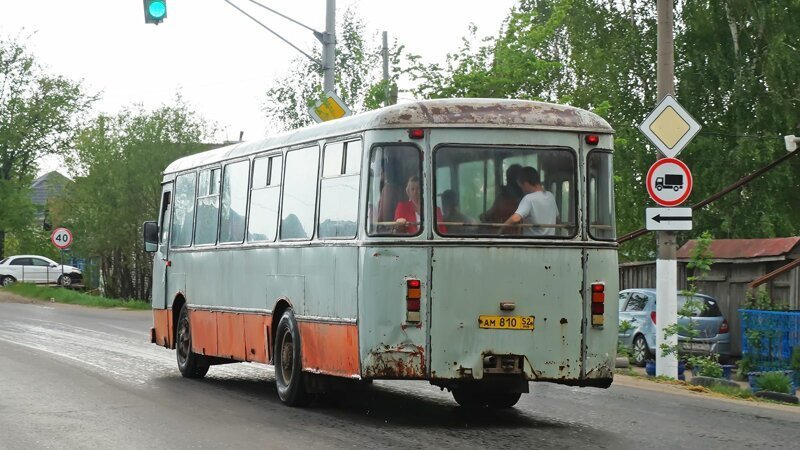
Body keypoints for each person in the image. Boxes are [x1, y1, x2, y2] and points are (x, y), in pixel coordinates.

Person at [502, 166, 558, 236]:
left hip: (532, 243)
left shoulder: (528, 199)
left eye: (521, 187)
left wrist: (500, 229)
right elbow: (557, 218)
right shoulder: (551, 196)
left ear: (525, 183)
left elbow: (515, 218)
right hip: (549, 243)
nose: (522, 190)